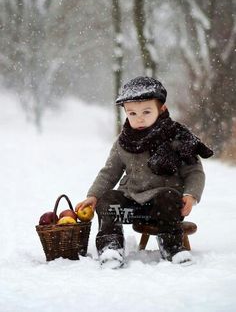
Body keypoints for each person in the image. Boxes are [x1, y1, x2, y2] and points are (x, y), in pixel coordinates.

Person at [75, 76, 213, 268]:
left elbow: (194, 171)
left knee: (168, 197)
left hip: (162, 206)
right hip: (131, 202)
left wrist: (191, 195)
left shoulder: (176, 138)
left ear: (162, 109)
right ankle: (111, 247)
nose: (139, 118)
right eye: (132, 113)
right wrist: (93, 196)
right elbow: (109, 172)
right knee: (107, 200)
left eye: (146, 112)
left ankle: (172, 248)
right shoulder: (124, 142)